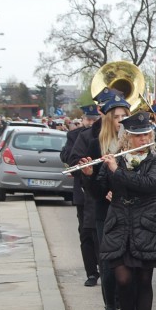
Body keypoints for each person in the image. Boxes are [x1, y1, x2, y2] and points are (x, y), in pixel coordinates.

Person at [97, 111, 156, 310]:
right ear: (127, 138)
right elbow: (100, 188)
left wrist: (116, 171)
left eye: (146, 135)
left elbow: (148, 185)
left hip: (145, 223)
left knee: (143, 281)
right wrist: (89, 174)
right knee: (123, 280)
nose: (142, 139)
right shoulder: (115, 158)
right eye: (137, 136)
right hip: (119, 224)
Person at [69, 89, 130, 310]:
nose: (121, 121)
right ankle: (109, 306)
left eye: (124, 116)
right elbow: (88, 182)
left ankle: (126, 307)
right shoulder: (93, 142)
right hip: (104, 210)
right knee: (108, 262)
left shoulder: (134, 140)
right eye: (116, 117)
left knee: (129, 262)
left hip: (129, 209)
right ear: (107, 118)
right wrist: (90, 175)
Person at [61, 105, 102, 287]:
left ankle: (105, 267)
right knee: (86, 233)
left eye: (94, 119)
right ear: (83, 119)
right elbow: (69, 158)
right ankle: (91, 272)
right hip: (83, 191)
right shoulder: (75, 136)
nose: (91, 122)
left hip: (102, 188)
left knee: (101, 233)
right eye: (89, 119)